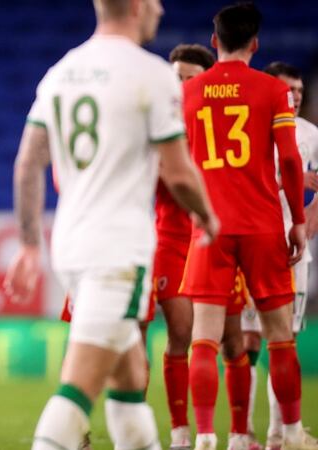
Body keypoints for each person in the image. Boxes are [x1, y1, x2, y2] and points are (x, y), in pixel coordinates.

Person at [4, 0, 218, 449]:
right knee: (78, 388)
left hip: (71, 246)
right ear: (138, 7)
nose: (160, 9)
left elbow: (27, 164)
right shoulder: (152, 74)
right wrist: (208, 215)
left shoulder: (62, 71)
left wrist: (28, 245)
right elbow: (178, 172)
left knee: (128, 381)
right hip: (117, 252)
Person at [179, 3, 317, 449]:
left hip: (210, 227)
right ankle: (291, 433)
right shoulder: (271, 90)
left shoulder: (190, 92)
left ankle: (204, 437)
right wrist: (297, 220)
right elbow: (292, 161)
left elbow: (177, 163)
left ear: (214, 41)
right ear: (255, 45)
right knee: (279, 337)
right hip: (261, 225)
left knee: (204, 337)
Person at [240, 61, 318, 450]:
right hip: (255, 246)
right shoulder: (252, 129)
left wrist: (304, 227)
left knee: (285, 340)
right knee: (248, 340)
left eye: (301, 92)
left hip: (293, 253)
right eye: (290, 91)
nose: (297, 98)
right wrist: (290, 178)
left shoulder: (310, 135)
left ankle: (278, 436)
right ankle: (246, 433)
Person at [150, 43, 215, 449]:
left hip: (217, 239)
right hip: (172, 240)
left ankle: (240, 430)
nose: (183, 86)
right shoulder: (161, 128)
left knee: (236, 340)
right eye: (178, 78)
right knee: (180, 332)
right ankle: (180, 433)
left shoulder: (219, 126)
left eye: (191, 79)